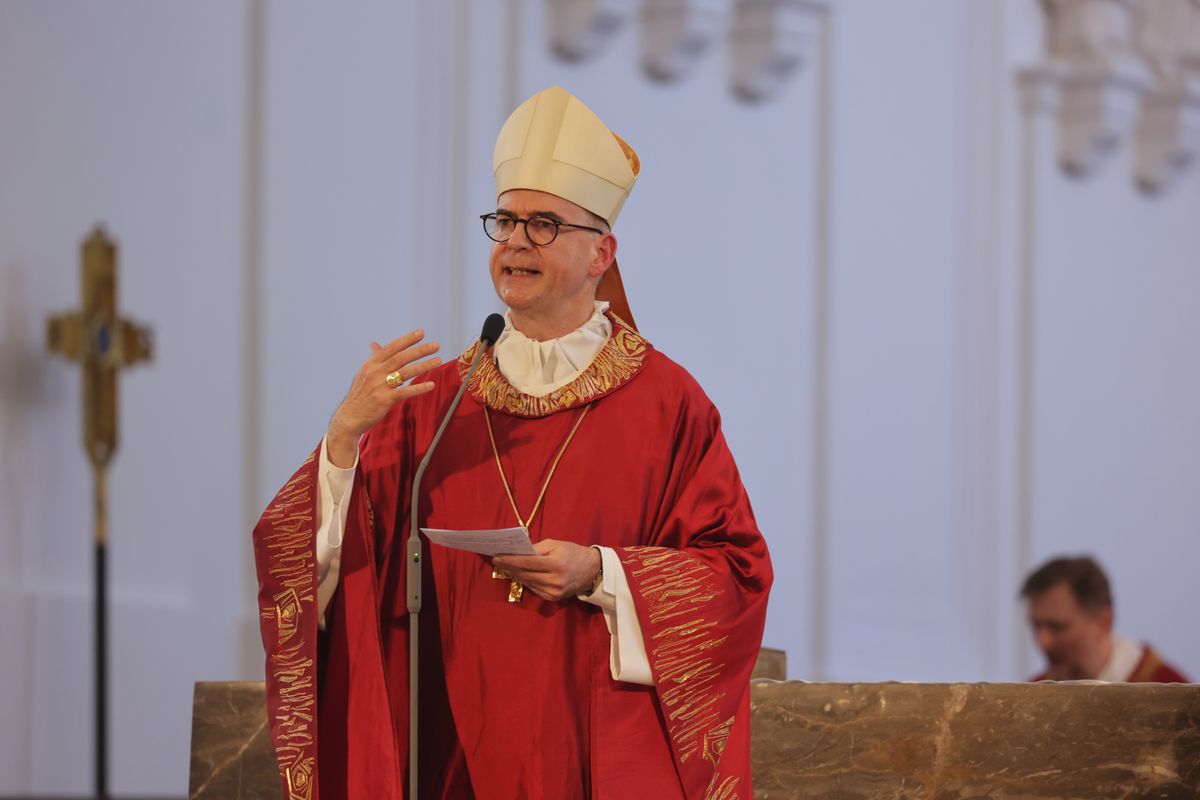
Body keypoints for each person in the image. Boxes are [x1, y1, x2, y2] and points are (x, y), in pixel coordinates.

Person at [252, 86, 773, 800]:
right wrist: (343, 439)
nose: (516, 241)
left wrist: (599, 571)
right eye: (505, 221)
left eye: (544, 225)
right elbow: (331, 570)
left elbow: (736, 578)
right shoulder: (428, 405)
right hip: (447, 751)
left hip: (597, 757)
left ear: (602, 253)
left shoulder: (668, 404)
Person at [1022, 555, 1189, 683]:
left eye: (1057, 627)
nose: (1042, 642)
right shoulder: (1029, 697)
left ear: (1104, 622)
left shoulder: (1174, 697)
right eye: (1036, 626)